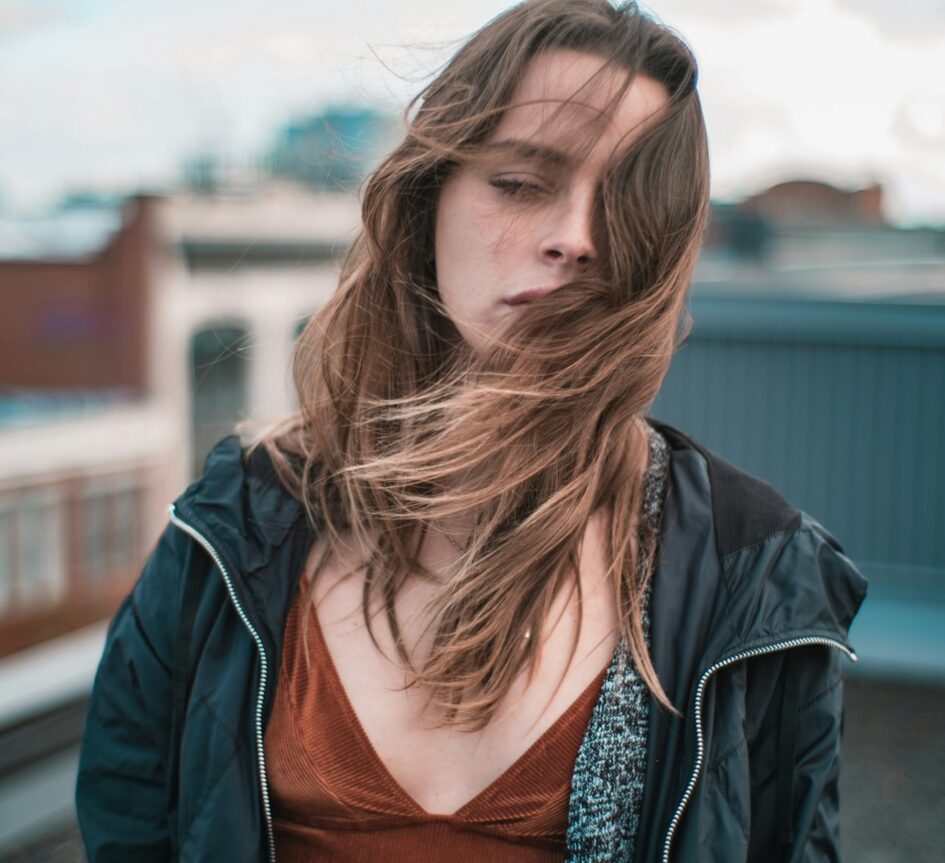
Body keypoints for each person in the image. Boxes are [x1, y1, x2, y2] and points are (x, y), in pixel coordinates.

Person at [76, 0, 867, 860]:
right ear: (430, 198)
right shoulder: (235, 519)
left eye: (627, 205)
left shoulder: (754, 573)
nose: (575, 238)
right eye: (521, 183)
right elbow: (131, 821)